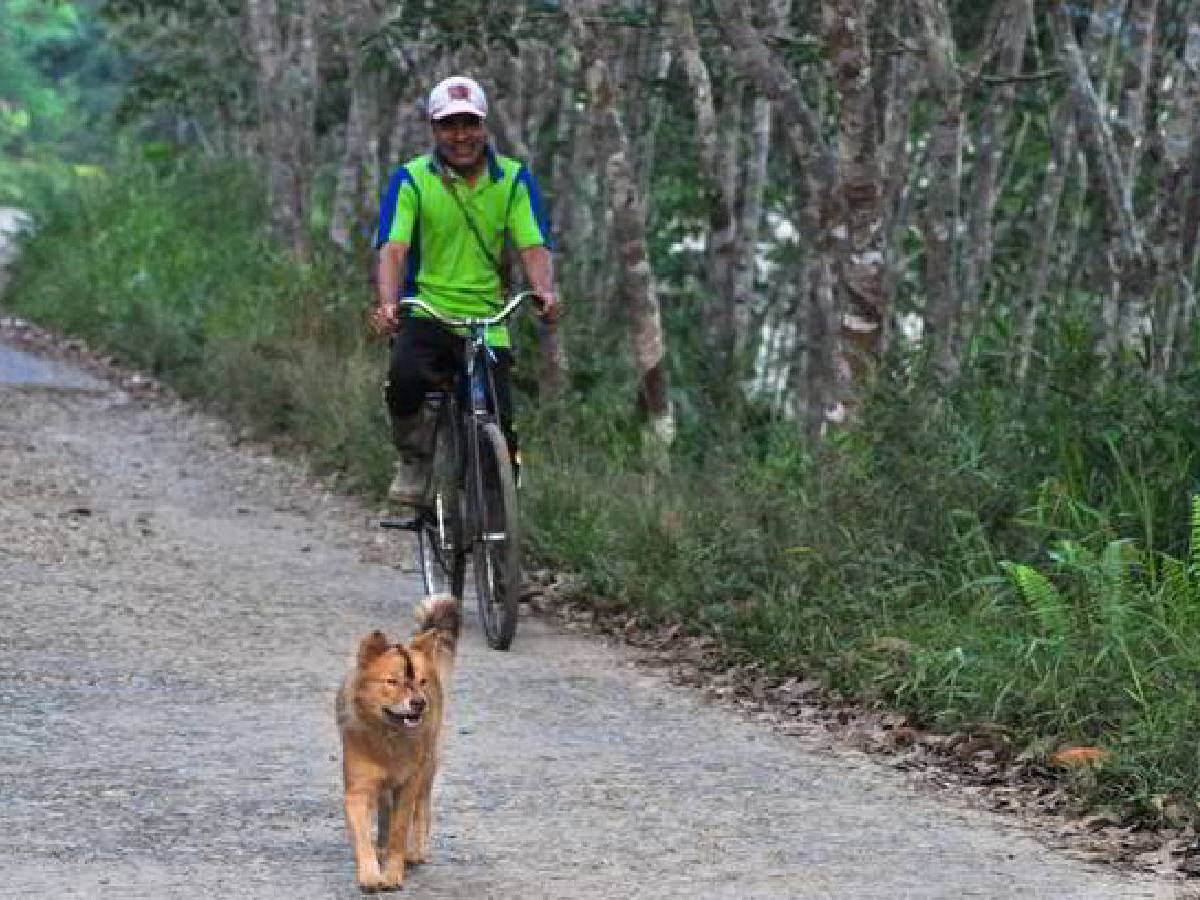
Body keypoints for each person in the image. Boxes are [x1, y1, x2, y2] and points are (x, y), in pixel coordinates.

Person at [371, 75, 561, 505]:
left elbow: (532, 245)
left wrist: (544, 291)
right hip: (428, 312)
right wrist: (388, 302)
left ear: (484, 126)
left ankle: (497, 534)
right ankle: (413, 458)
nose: (462, 137)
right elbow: (394, 248)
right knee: (403, 378)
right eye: (450, 126)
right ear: (434, 130)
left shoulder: (512, 180)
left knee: (501, 430)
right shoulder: (412, 180)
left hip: (486, 320)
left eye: (470, 124)